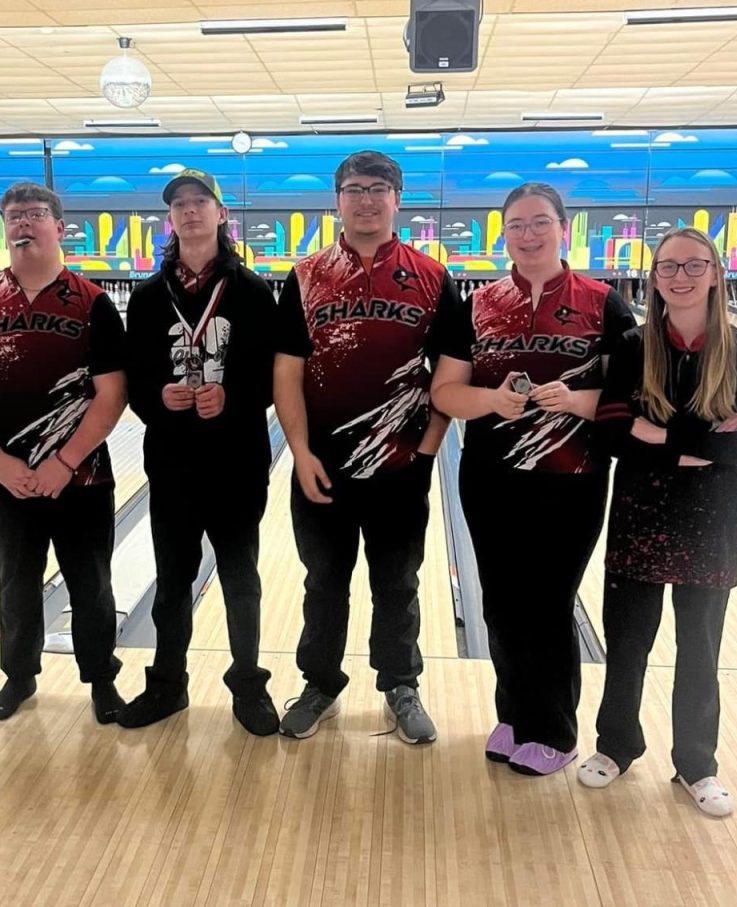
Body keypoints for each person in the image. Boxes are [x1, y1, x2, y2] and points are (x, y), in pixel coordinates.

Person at [430, 182, 635, 776]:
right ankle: (515, 716)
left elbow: (632, 398)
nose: (528, 234)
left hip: (572, 478)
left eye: (540, 222)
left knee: (547, 603)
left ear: (563, 228)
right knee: (500, 602)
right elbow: (446, 390)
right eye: (516, 224)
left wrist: (575, 400)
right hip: (491, 479)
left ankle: (555, 731)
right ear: (504, 233)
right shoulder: (478, 304)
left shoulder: (604, 303)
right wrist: (492, 398)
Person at [578, 227, 737, 817]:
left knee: (699, 650)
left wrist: (658, 434)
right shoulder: (636, 347)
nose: (680, 276)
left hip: (711, 524)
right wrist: (704, 441)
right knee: (628, 643)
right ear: (655, 277)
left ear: (715, 273)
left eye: (694, 265)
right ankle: (617, 746)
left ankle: (696, 765)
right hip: (639, 515)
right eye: (668, 266)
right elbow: (611, 434)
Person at [273, 151, 462, 744]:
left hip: (402, 467)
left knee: (398, 583)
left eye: (378, 188)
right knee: (323, 582)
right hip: (321, 466)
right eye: (354, 189)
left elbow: (451, 376)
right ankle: (320, 684)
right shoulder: (304, 276)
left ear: (397, 200)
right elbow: (286, 373)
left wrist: (427, 455)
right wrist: (300, 452)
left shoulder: (434, 277)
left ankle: (399, 685)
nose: (366, 199)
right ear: (338, 200)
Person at [0, 182, 127, 724]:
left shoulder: (93, 303)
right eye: (14, 217)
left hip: (83, 477)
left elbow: (112, 394)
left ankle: (101, 681)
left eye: (35, 215)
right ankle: (18, 677)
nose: (23, 224)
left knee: (91, 584)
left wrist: (64, 461)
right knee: (16, 581)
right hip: (3, 480)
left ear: (59, 227)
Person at [119, 168, 279, 735]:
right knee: (171, 578)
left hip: (237, 461)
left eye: (200, 202)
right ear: (171, 219)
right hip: (173, 460)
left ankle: (248, 686)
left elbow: (274, 378)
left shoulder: (254, 292)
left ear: (220, 215)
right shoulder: (144, 298)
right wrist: (158, 398)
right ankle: (168, 684)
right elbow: (132, 380)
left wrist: (234, 397)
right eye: (180, 204)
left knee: (241, 576)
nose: (190, 211)